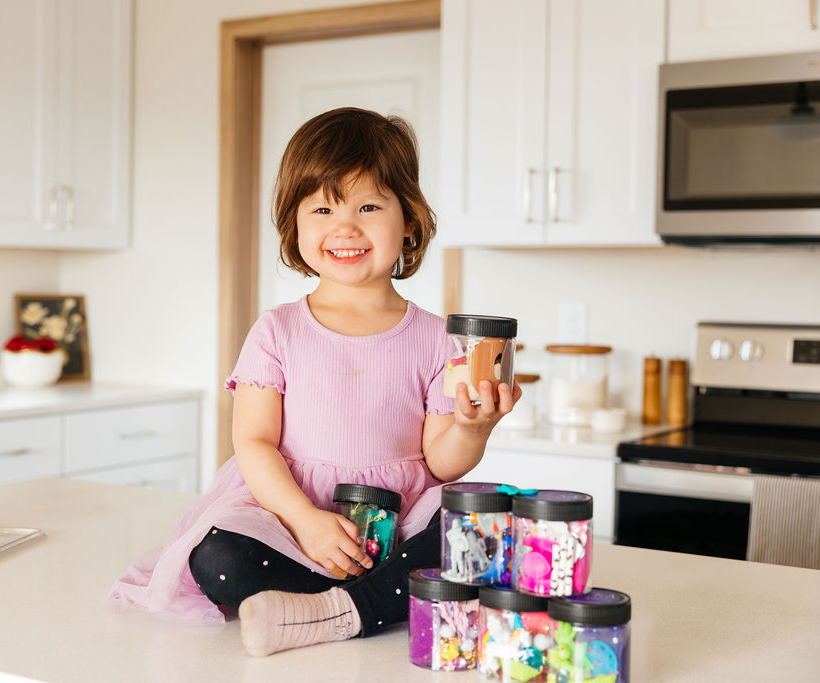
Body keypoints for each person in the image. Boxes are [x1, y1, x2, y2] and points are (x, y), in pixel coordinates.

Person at [110, 107, 519, 656]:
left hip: (397, 524)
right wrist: (305, 522)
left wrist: (474, 427)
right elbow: (253, 443)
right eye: (322, 208)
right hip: (292, 515)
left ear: (409, 221)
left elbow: (441, 461)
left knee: (478, 526)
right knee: (218, 558)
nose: (344, 227)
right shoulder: (277, 331)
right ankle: (382, 598)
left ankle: (333, 610)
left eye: (369, 206)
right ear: (294, 224)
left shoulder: (433, 338)